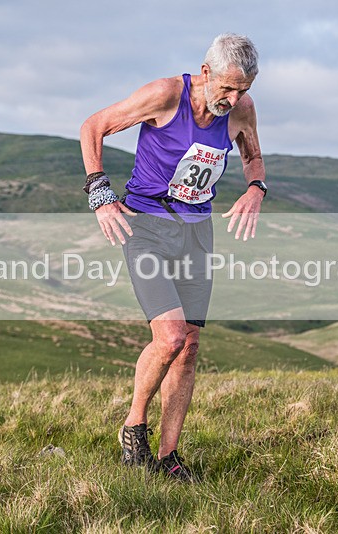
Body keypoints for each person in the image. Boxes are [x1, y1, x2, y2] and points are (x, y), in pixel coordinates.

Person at [79, 33, 267, 482]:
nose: (234, 98)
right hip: (146, 226)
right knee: (169, 338)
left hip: (197, 233)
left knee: (189, 348)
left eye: (243, 89)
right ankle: (133, 426)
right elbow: (93, 126)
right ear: (205, 73)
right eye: (226, 87)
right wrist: (100, 194)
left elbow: (253, 156)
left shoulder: (241, 110)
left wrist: (256, 189)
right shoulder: (165, 96)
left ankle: (168, 457)